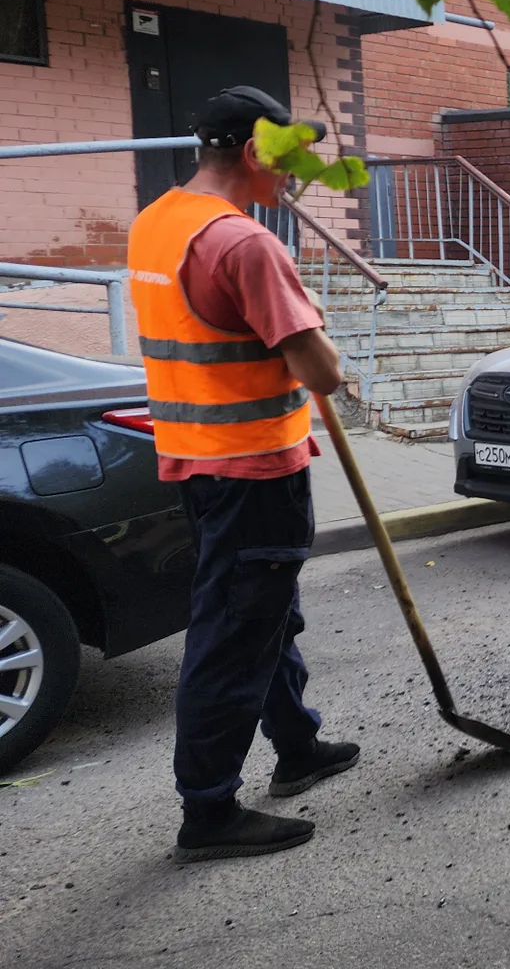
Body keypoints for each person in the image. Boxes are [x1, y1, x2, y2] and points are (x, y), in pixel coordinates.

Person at [127, 86, 360, 862]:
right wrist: (331, 363)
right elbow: (318, 367)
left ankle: (297, 745)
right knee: (234, 632)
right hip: (254, 472)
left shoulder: (157, 222)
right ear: (255, 153)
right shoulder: (246, 244)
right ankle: (209, 811)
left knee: (265, 614)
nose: (296, 175)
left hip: (198, 463)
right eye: (289, 157)